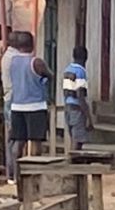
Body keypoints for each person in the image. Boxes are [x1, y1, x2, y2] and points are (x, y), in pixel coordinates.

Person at [7, 32, 52, 180]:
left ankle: (14, 174)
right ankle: (33, 172)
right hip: (35, 106)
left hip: (17, 105)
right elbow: (49, 74)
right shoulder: (36, 62)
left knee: (18, 141)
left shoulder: (12, 62)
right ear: (32, 45)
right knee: (36, 140)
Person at [62, 45, 94, 152]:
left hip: (67, 106)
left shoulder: (68, 70)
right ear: (86, 57)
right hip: (77, 108)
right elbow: (80, 95)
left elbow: (66, 91)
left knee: (73, 136)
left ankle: (72, 159)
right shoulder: (81, 72)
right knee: (78, 139)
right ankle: (72, 162)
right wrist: (88, 116)